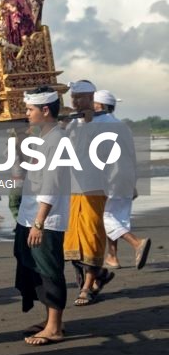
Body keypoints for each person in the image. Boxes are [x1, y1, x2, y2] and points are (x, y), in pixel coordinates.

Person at [13, 87, 70, 346]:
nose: (26, 113)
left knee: (49, 270)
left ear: (45, 110)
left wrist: (39, 222)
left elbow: (52, 185)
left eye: (30, 109)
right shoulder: (44, 138)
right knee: (34, 269)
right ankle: (50, 320)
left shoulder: (57, 140)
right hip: (29, 215)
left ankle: (55, 327)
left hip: (45, 218)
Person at [63, 80, 113, 306]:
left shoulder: (107, 122)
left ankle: (87, 286)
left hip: (96, 187)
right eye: (73, 97)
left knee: (91, 235)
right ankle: (92, 279)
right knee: (72, 240)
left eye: (80, 97)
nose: (75, 101)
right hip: (72, 188)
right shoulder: (73, 122)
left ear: (91, 98)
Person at [94, 90, 151, 270]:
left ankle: (136, 243)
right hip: (126, 176)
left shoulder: (98, 125)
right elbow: (132, 155)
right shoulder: (122, 126)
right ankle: (112, 257)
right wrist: (134, 183)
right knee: (117, 216)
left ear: (100, 106)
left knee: (105, 216)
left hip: (109, 177)